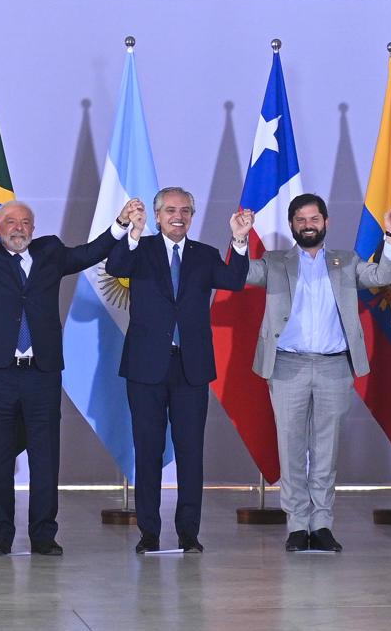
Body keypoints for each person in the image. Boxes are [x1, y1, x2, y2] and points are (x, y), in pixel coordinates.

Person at [0, 194, 144, 556]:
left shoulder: (50, 253)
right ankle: (0, 535)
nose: (18, 228)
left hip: (41, 373)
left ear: (33, 229)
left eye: (25, 223)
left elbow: (90, 252)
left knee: (45, 457)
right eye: (11, 223)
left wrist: (122, 224)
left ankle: (43, 535)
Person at [244, 193, 391, 552]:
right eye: (300, 220)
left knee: (326, 448)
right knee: (291, 447)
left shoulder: (345, 261)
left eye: (314, 218)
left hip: (334, 366)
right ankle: (298, 525)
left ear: (326, 222)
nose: (308, 225)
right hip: (287, 364)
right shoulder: (275, 261)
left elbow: (381, 274)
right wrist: (241, 239)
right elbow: (245, 273)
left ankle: (322, 523)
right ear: (291, 226)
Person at [105, 187, 252, 553]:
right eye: (170, 210)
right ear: (157, 216)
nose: (178, 216)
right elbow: (116, 266)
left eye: (185, 210)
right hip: (146, 367)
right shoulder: (141, 249)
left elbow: (233, 280)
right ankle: (149, 532)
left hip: (191, 368)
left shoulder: (203, 255)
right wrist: (132, 233)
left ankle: (189, 532)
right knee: (148, 450)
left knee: (190, 452)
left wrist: (238, 238)